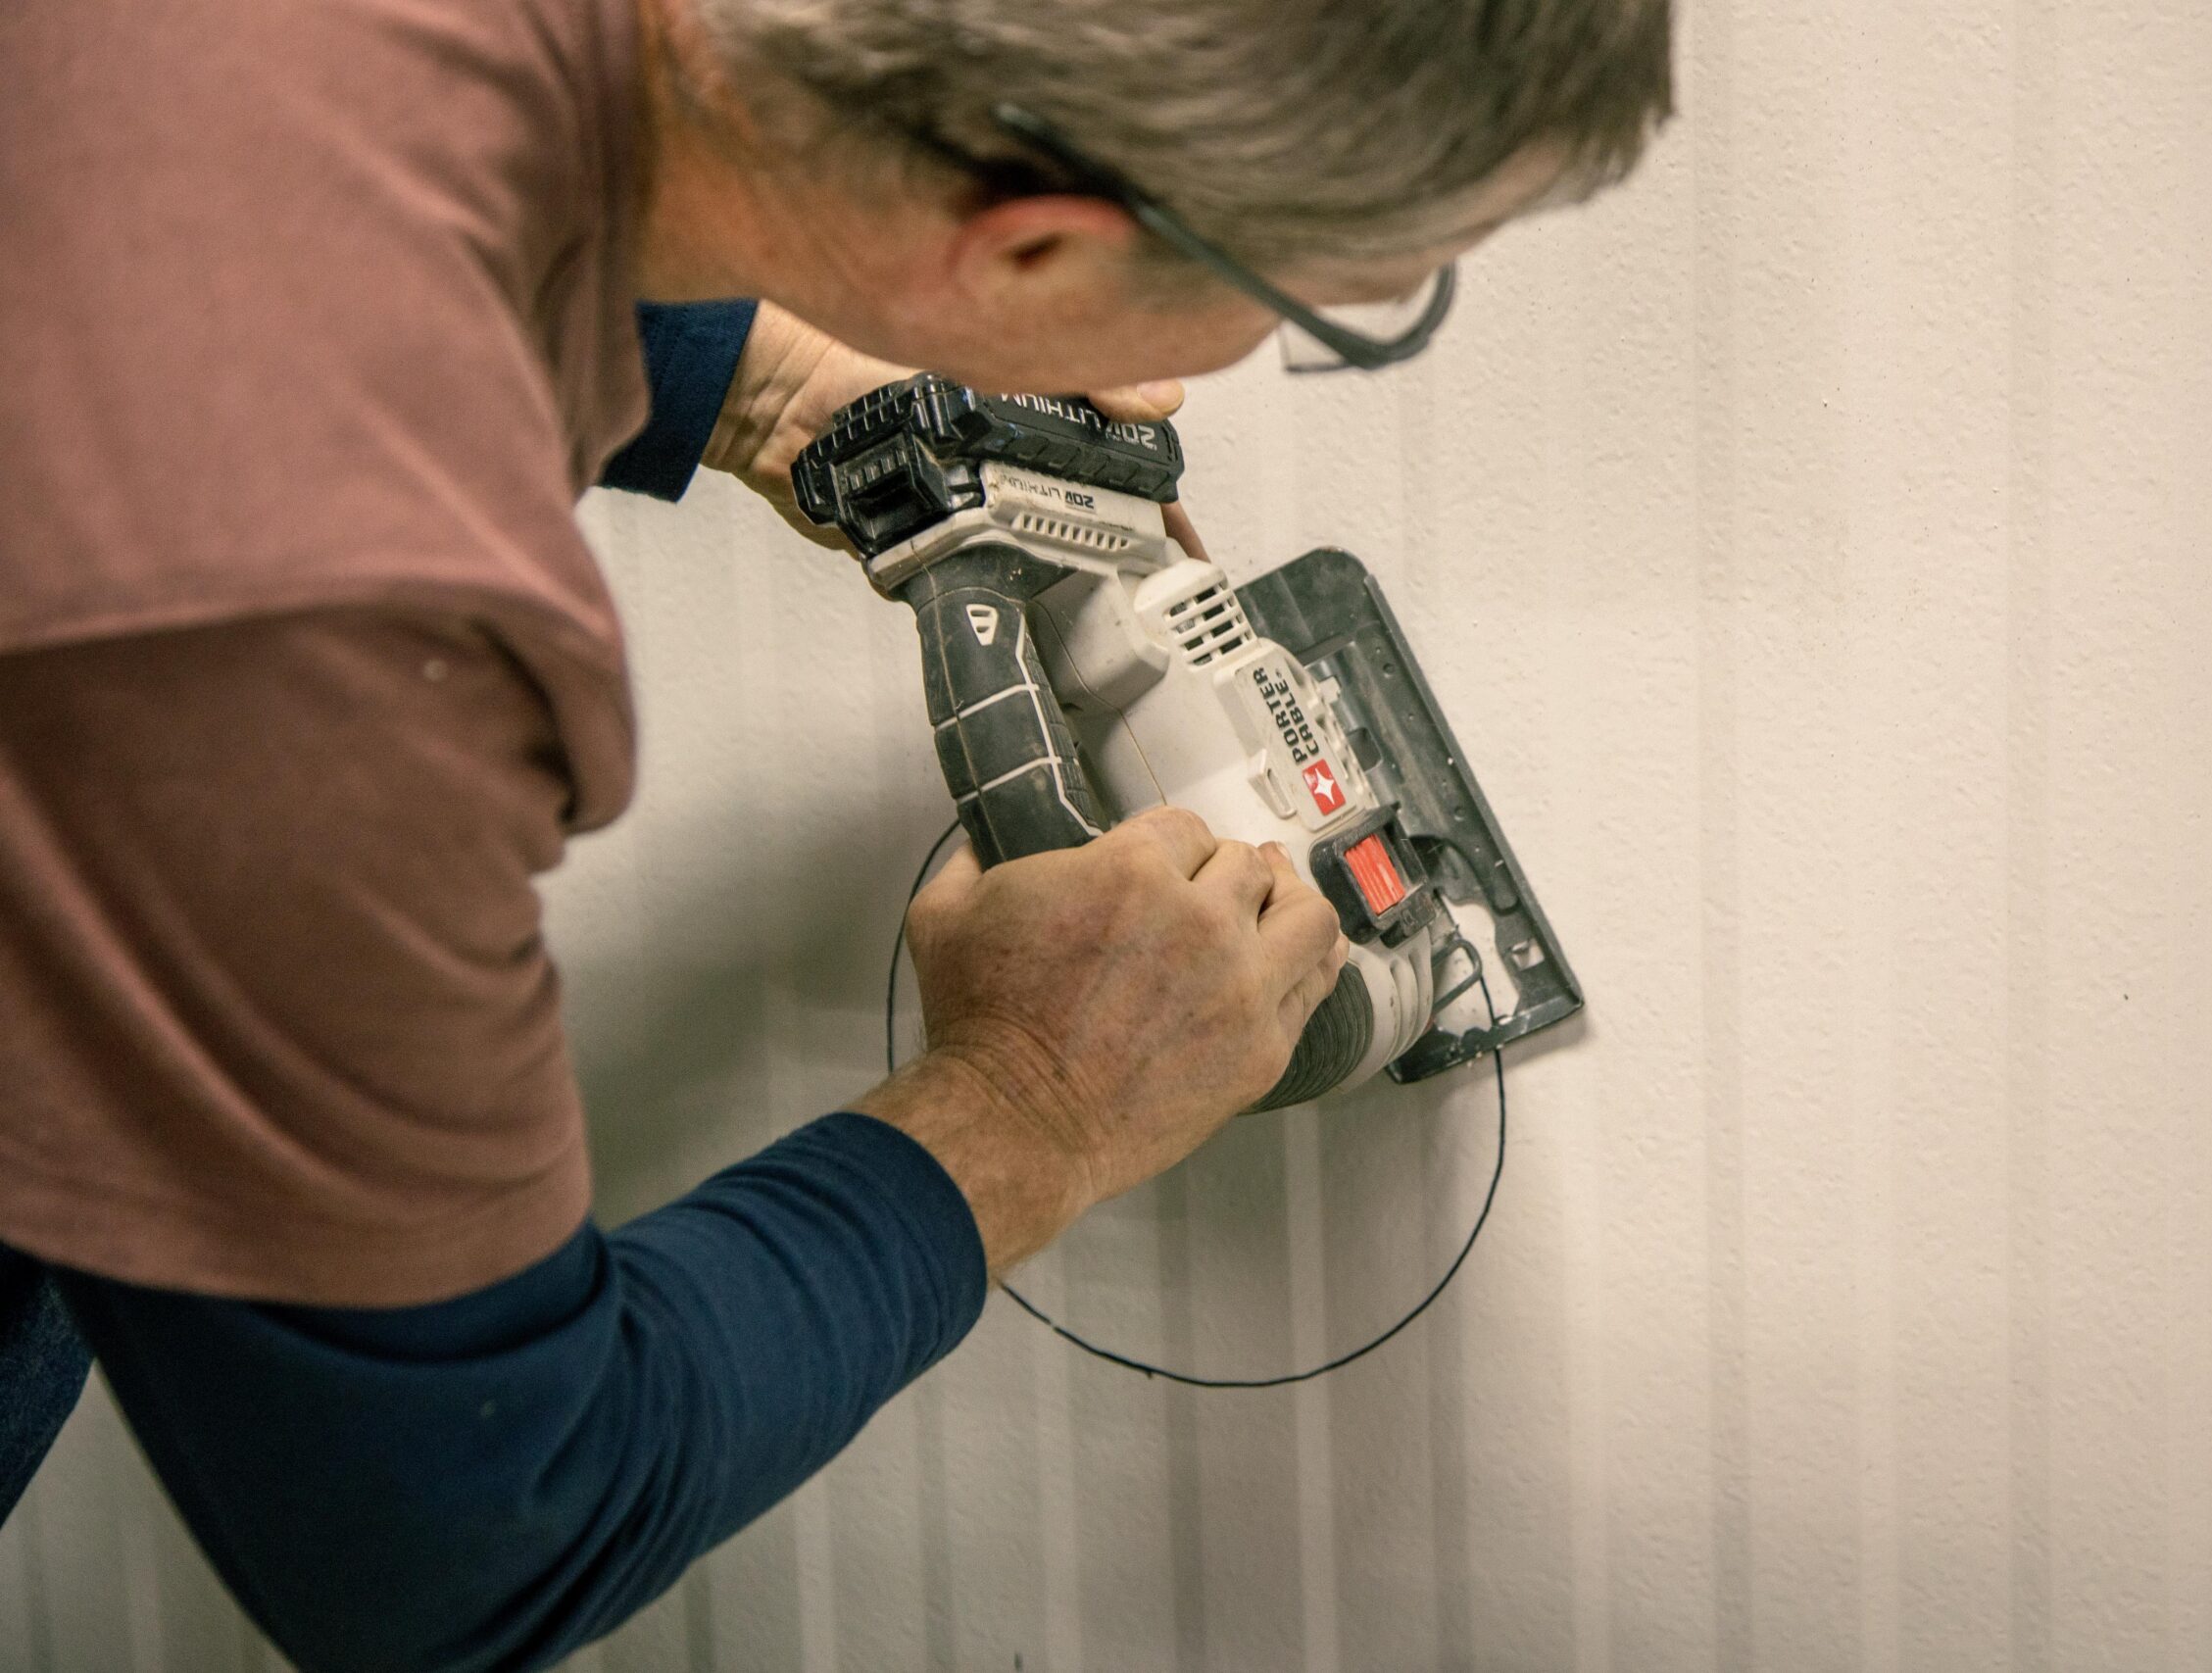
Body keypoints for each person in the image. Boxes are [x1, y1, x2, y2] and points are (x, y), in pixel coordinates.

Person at [0, 0, 1671, 1666]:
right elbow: (466, 1527)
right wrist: (1038, 1100)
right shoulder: (299, 588)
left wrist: (767, 380)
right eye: (1336, 304)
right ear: (1030, 249)